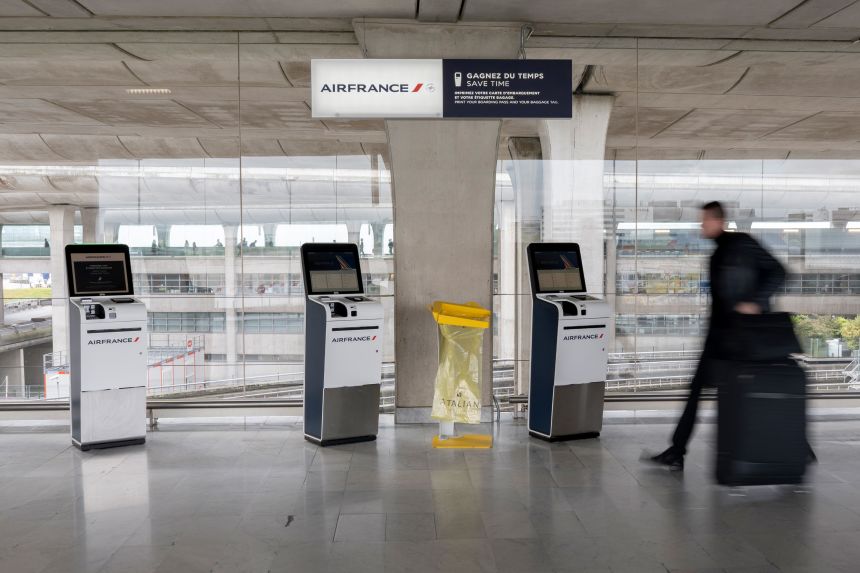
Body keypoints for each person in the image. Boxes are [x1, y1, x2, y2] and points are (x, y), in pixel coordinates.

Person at [645, 201, 786, 471]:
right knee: (696, 391)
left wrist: (755, 302)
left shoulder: (742, 243)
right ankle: (676, 451)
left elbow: (778, 272)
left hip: (745, 338)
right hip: (720, 340)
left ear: (718, 221)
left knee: (759, 393)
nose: (701, 225)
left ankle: (798, 447)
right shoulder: (715, 255)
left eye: (704, 221)